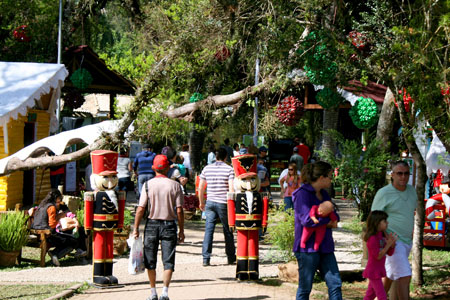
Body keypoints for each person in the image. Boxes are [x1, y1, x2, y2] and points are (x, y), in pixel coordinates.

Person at [133, 155, 185, 300]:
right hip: (169, 225)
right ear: (168, 168)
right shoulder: (175, 185)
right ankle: (165, 293)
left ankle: (153, 292)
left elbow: (140, 208)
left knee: (150, 259)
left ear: (153, 168)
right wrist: (181, 230)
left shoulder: (147, 185)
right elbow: (180, 210)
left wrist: (136, 228)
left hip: (151, 225)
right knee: (168, 260)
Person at [292, 161, 341, 300]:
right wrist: (328, 223)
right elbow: (307, 221)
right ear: (321, 178)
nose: (331, 180)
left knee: (335, 284)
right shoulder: (301, 194)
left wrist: (329, 221)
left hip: (325, 246)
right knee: (305, 287)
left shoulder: (324, 194)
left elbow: (335, 215)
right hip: (307, 249)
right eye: (330, 176)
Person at [371, 160, 417, 300]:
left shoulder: (412, 191)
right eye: (399, 173)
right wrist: (386, 238)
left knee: (390, 277)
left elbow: (411, 212)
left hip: (407, 241)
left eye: (406, 173)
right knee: (404, 276)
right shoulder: (384, 193)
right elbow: (374, 219)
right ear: (392, 175)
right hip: (392, 242)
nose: (403, 177)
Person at [84, 150, 126, 286]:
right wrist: (87, 226)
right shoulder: (93, 195)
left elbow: (120, 209)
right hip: (99, 224)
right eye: (106, 177)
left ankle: (108, 273)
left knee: (109, 248)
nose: (110, 181)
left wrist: (120, 224)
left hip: (111, 223)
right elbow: (89, 209)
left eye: (113, 177)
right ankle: (98, 275)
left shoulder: (117, 194)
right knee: (100, 246)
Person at [228, 154, 269, 280]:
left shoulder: (261, 196)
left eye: (252, 179)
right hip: (241, 223)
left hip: (255, 223)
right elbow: (230, 207)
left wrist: (264, 222)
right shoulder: (234, 196)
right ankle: (241, 272)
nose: (249, 183)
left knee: (253, 246)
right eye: (245, 180)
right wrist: (231, 223)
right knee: (242, 246)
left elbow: (264, 209)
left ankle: (253, 271)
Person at [198, 147, 236, 266]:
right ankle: (230, 257)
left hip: (210, 202)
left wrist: (201, 202)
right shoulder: (229, 169)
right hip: (223, 203)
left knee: (209, 230)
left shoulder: (206, 169)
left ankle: (206, 258)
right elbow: (231, 188)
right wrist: (233, 204)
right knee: (228, 230)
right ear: (226, 157)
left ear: (215, 156)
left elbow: (201, 187)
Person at [31, 189, 84, 266]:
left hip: (37, 233)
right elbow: (52, 225)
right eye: (59, 198)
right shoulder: (51, 207)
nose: (60, 200)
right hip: (47, 234)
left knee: (68, 238)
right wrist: (59, 216)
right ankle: (55, 254)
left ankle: (55, 254)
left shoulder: (41, 205)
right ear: (56, 198)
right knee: (74, 241)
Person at [362, 210, 398, 300]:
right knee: (382, 296)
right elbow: (378, 256)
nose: (387, 223)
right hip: (373, 271)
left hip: (378, 270)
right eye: (385, 221)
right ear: (377, 223)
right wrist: (388, 244)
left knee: (370, 295)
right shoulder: (372, 238)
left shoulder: (381, 236)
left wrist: (392, 246)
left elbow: (389, 253)